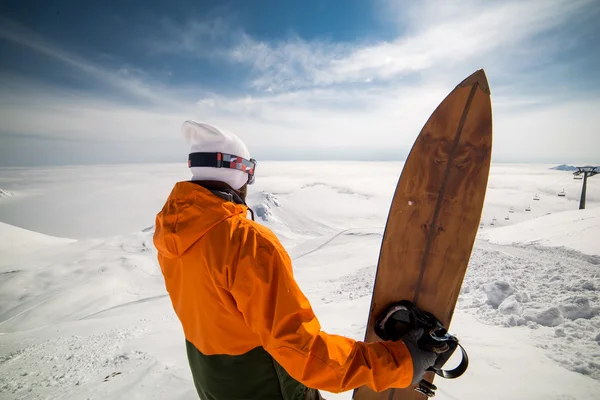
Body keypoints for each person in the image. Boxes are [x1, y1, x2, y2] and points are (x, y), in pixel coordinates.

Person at [153, 121, 438, 400]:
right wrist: (401, 362)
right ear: (240, 172)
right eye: (249, 172)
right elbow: (304, 354)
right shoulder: (245, 244)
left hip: (216, 387)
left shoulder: (172, 234)